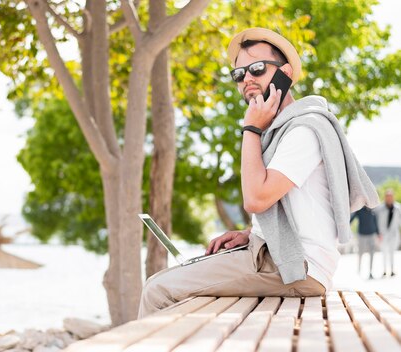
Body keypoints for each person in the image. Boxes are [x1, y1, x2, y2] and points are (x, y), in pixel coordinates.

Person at [138, 28, 379, 318]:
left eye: (256, 69)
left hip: (294, 267)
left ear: (285, 73)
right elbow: (295, 209)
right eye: (239, 74)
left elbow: (256, 199)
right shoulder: (282, 131)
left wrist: (250, 128)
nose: (246, 80)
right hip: (279, 258)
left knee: (157, 290)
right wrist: (250, 233)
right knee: (173, 288)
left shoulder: (303, 130)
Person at [374, 189, 400, 277]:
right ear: (385, 197)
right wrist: (377, 233)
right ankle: (384, 270)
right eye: (387, 196)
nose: (389, 198)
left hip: (394, 235)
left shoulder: (398, 208)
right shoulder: (379, 209)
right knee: (384, 253)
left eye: (391, 196)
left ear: (393, 197)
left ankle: (392, 270)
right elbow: (375, 221)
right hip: (382, 235)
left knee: (392, 253)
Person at [350, 206, 379, 279]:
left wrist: (378, 233)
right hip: (362, 235)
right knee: (360, 253)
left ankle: (370, 272)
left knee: (372, 253)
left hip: (371, 235)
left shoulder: (373, 210)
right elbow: (351, 219)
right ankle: (359, 271)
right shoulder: (359, 209)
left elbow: (376, 222)